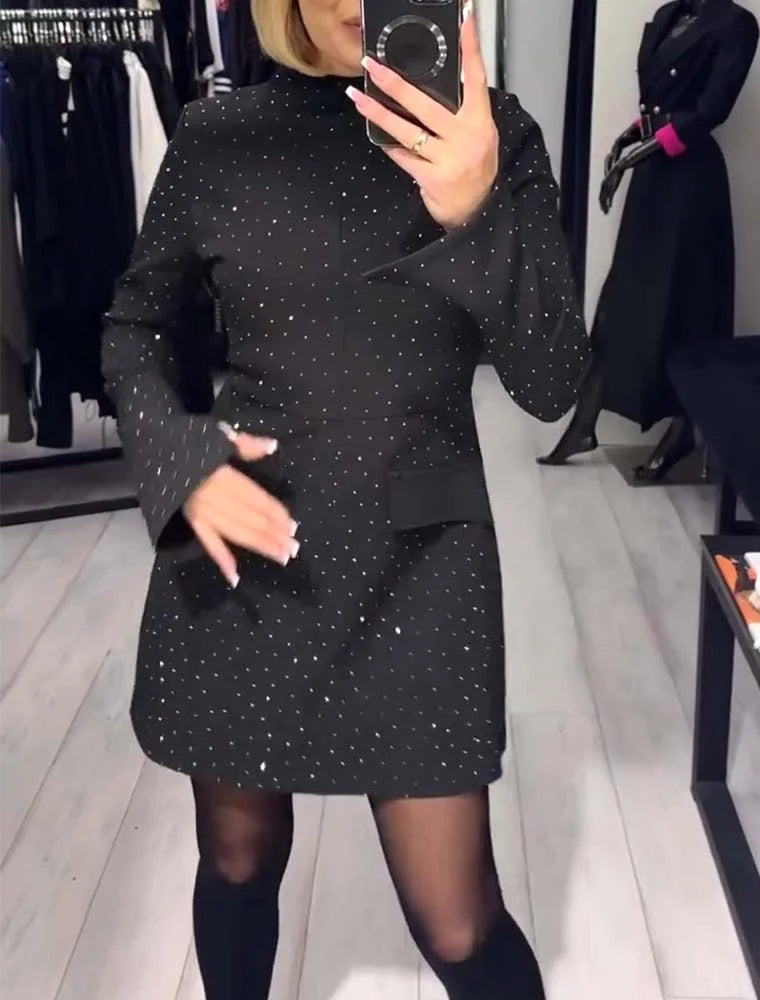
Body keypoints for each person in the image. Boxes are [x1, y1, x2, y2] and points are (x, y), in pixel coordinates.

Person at [102, 1, 589, 997]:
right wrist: (180, 456)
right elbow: (134, 327)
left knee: (458, 923)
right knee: (236, 862)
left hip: (422, 570)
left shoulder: (494, 134)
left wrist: (474, 207)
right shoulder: (217, 135)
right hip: (250, 548)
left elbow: (551, 382)